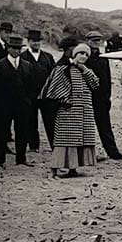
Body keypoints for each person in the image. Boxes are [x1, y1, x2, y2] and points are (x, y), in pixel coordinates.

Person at [39, 41, 100, 178]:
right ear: (75, 54)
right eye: (81, 53)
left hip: (85, 112)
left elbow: (95, 84)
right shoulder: (63, 69)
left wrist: (84, 69)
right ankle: (55, 169)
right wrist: (66, 100)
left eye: (86, 54)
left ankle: (74, 168)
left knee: (81, 141)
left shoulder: (86, 70)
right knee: (64, 141)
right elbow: (54, 88)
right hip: (69, 112)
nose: (83, 56)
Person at [0, 34, 39, 167]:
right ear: (8, 48)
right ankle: (0, 159)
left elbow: (32, 86)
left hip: (22, 105)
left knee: (22, 131)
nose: (17, 51)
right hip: (3, 105)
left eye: (19, 48)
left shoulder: (27, 66)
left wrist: (28, 101)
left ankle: (21, 159)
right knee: (1, 132)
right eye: (14, 48)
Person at [84, 30, 122, 160]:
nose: (96, 43)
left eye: (98, 40)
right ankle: (86, 155)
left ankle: (113, 153)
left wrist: (108, 97)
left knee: (105, 126)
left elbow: (107, 79)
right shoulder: (83, 58)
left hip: (101, 98)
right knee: (86, 127)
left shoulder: (103, 59)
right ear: (87, 41)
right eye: (93, 40)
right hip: (86, 97)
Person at [22, 30, 56, 153]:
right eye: (33, 41)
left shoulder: (48, 57)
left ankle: (54, 145)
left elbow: (54, 75)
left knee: (50, 120)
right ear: (28, 42)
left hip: (46, 95)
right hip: (29, 95)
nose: (36, 43)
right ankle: (33, 145)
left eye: (38, 41)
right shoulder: (23, 57)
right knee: (31, 120)